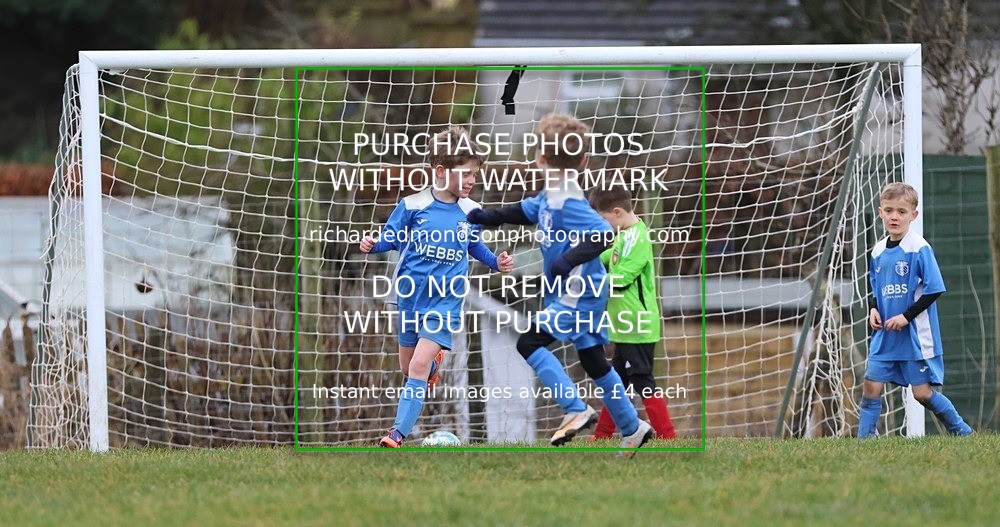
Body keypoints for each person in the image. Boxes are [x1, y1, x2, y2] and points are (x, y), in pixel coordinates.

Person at [467, 113, 653, 457]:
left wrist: (567, 261)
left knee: (529, 342)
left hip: (579, 293)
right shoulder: (552, 195)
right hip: (583, 293)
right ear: (582, 161)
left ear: (539, 158)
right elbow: (523, 211)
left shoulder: (569, 200)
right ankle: (633, 427)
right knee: (594, 361)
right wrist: (486, 216)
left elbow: (603, 233)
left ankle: (575, 408)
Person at [360, 126, 514, 448]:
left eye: (475, 175)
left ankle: (396, 434)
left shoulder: (471, 212)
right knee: (409, 367)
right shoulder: (413, 205)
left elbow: (474, 245)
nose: (472, 181)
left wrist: (495, 262)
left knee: (417, 365)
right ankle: (433, 364)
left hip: (445, 302)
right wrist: (374, 244)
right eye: (466, 174)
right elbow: (392, 238)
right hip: (409, 297)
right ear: (441, 171)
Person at [859, 182, 972, 438]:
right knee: (871, 386)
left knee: (921, 394)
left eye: (901, 211)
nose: (894, 216)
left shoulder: (919, 248)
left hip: (914, 337)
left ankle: (962, 431)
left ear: (913, 215)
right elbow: (875, 287)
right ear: (880, 212)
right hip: (885, 335)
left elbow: (934, 289)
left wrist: (906, 316)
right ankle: (864, 440)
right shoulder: (877, 251)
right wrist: (874, 309)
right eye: (889, 210)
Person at [587, 185, 676, 440]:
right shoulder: (624, 235)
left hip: (638, 324)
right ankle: (603, 434)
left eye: (603, 220)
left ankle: (668, 436)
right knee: (617, 381)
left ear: (617, 212)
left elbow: (623, 277)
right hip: (625, 325)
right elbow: (608, 256)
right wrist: (581, 260)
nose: (603, 226)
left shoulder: (638, 238)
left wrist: (590, 282)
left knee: (643, 380)